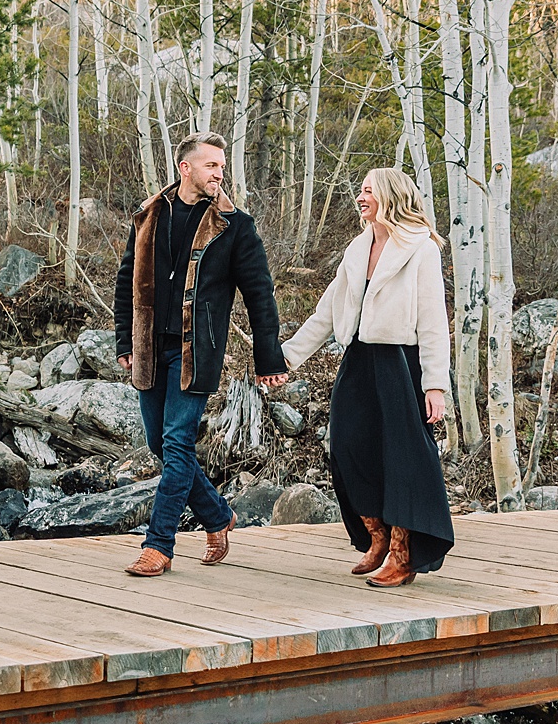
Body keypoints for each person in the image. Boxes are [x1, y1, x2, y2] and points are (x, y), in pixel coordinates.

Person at [113, 132, 287, 577]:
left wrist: (269, 359)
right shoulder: (149, 215)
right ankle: (217, 514)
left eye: (222, 166)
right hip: (151, 349)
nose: (220, 173)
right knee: (158, 442)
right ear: (185, 167)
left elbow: (260, 295)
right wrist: (123, 344)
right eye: (211, 165)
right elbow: (125, 283)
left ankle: (159, 545)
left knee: (176, 444)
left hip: (197, 352)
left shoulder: (234, 226)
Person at [279, 167, 453, 588]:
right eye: (360, 191)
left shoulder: (421, 249)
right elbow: (326, 313)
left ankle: (402, 552)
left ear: (390, 197)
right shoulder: (357, 248)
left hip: (400, 364)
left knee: (402, 459)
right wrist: (284, 360)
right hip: (357, 361)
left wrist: (435, 386)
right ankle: (375, 537)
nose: (360, 198)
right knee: (348, 446)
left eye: (368, 191)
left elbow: (433, 320)